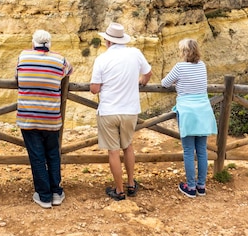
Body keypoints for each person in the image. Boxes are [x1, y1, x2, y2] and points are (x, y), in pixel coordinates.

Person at [90, 22, 152, 201]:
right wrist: (141, 81)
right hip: (130, 110)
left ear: (107, 41)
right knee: (128, 146)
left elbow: (94, 88)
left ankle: (119, 190)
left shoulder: (102, 59)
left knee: (113, 151)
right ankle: (131, 184)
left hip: (109, 110)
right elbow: (148, 73)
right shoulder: (135, 53)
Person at [16, 30, 73, 209]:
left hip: (28, 116)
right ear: (49, 44)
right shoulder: (59, 59)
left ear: (33, 43)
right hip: (51, 117)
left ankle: (44, 195)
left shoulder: (23, 56)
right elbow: (69, 70)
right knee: (53, 153)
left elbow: (17, 77)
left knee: (37, 156)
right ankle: (56, 192)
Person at [161, 38, 217, 198]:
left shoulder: (180, 67)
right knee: (202, 151)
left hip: (187, 112)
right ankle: (201, 186)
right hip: (203, 111)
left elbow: (165, 83)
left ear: (184, 52)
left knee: (188, 151)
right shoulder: (202, 65)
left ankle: (190, 187)